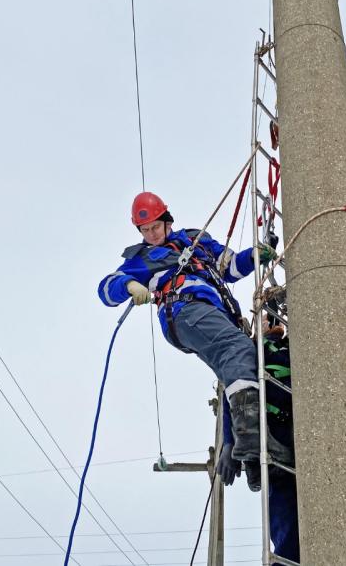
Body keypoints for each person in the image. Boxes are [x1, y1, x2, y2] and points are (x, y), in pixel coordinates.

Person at [98, 192, 292, 464]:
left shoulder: (197, 241)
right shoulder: (143, 258)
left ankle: (247, 455)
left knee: (237, 363)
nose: (152, 234)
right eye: (145, 230)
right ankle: (250, 438)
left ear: (167, 220)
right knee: (236, 348)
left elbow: (231, 267)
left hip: (211, 313)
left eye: (155, 226)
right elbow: (106, 288)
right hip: (186, 310)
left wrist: (256, 255)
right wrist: (129, 285)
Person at [216, 313, 299, 564]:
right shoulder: (249, 349)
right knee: (287, 524)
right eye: (265, 319)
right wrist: (229, 443)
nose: (273, 324)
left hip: (300, 432)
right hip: (270, 437)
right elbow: (232, 396)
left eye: (276, 320)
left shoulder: (296, 345)